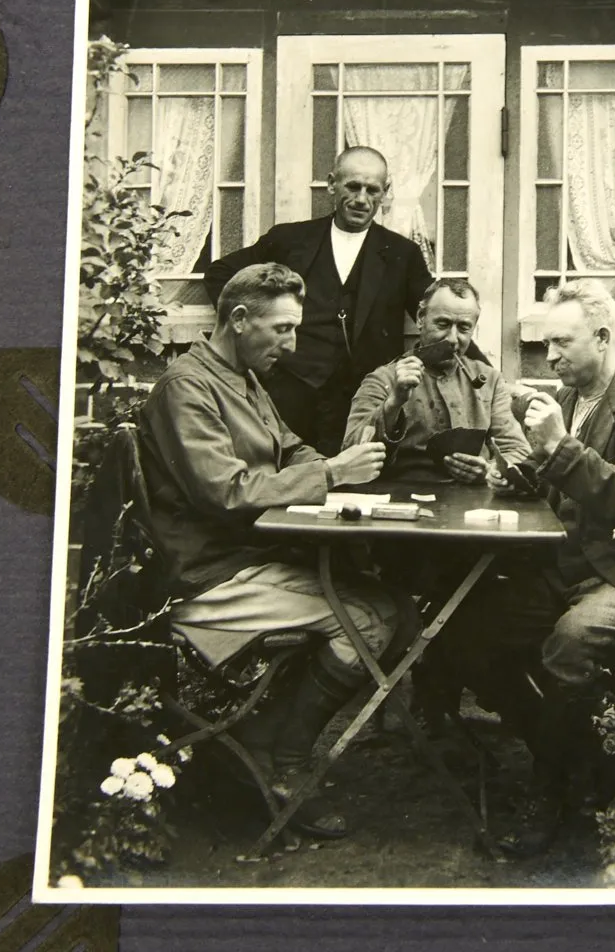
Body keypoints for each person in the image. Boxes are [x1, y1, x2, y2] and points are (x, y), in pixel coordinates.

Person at [137, 262, 399, 840]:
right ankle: (280, 761)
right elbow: (226, 492)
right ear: (238, 319)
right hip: (204, 579)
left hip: (241, 560)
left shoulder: (241, 377)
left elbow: (291, 448)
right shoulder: (188, 387)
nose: (292, 343)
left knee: (382, 598)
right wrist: (332, 473)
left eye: (295, 329)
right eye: (281, 329)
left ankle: (260, 741)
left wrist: (326, 470)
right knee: (369, 618)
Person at [429, 279, 615, 857]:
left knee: (571, 644)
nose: (552, 357)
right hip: (565, 567)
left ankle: (550, 790)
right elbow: (556, 486)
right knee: (464, 633)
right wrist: (515, 479)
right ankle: (574, 760)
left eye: (563, 343)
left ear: (603, 336)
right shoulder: (567, 400)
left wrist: (557, 445)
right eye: (546, 346)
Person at [203, 147, 433, 456]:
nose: (361, 199)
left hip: (363, 404)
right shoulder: (290, 240)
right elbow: (221, 274)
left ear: (385, 192)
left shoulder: (402, 254)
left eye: (372, 190)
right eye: (352, 186)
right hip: (290, 395)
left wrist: (481, 374)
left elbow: (434, 314)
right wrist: (255, 323)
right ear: (331, 184)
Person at [341, 279, 532, 483]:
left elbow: (517, 450)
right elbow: (351, 452)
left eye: (464, 328)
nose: (452, 338)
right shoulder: (383, 379)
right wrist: (394, 403)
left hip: (472, 504)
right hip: (402, 500)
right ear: (420, 319)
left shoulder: (490, 380)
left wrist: (490, 471)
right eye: (443, 324)